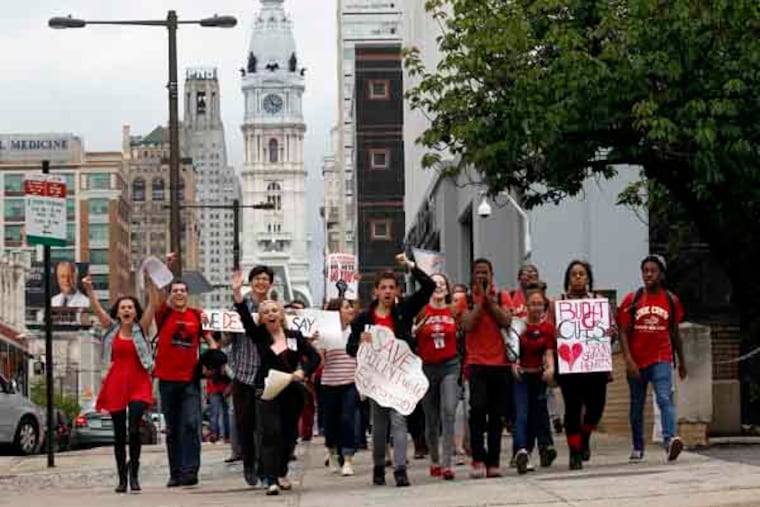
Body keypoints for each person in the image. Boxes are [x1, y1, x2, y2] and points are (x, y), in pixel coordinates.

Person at [346, 253, 436, 487]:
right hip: (377, 380)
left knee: (399, 421)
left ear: (397, 291)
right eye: (383, 287)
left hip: (399, 379)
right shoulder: (363, 319)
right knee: (379, 425)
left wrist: (410, 266)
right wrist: (361, 344)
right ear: (375, 291)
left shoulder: (404, 310)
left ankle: (400, 469)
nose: (387, 292)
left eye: (391, 287)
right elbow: (350, 349)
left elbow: (429, 286)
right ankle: (378, 466)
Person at [232, 271, 321, 496]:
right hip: (268, 388)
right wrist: (237, 292)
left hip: (292, 390)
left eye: (274, 310)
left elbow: (314, 357)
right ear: (261, 318)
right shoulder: (259, 335)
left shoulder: (294, 335)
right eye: (266, 312)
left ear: (281, 315)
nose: (271, 314)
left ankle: (281, 471)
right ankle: (270, 479)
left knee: (289, 434)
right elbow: (243, 316)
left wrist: (303, 370)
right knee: (270, 432)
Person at [82, 275, 158, 493]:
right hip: (116, 381)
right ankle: (121, 478)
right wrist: (89, 290)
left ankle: (134, 473)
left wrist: (152, 284)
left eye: (131, 307)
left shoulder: (141, 328)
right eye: (123, 307)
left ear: (135, 312)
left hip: (139, 382)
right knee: (119, 433)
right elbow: (97, 309)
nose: (126, 310)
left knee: (134, 429)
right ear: (118, 311)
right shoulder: (111, 328)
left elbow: (153, 304)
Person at [618, 254, 687, 463]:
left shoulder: (671, 300)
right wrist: (628, 360)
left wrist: (682, 361)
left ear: (661, 274)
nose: (648, 274)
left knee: (665, 398)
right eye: (645, 270)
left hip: (661, 358)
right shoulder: (633, 299)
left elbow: (675, 333)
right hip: (637, 361)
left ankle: (669, 441)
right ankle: (638, 446)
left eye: (652, 270)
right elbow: (622, 331)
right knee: (637, 405)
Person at [209, 265, 272, 487]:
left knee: (265, 426)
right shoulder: (238, 307)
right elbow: (225, 341)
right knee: (245, 424)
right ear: (251, 282)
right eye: (257, 278)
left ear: (270, 284)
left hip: (267, 376)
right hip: (242, 374)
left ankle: (265, 468)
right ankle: (248, 464)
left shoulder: (274, 308)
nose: (261, 282)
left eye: (265, 279)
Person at [553, 260, 617, 470]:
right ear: (568, 279)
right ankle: (575, 454)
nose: (578, 277)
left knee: (596, 408)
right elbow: (549, 332)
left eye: (582, 274)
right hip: (570, 367)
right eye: (574, 274)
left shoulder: (600, 302)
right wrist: (555, 335)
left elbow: (612, 330)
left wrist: (610, 333)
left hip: (595, 366)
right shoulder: (558, 303)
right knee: (572, 410)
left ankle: (585, 435)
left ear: (588, 278)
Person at [461, 258, 514, 479]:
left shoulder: (502, 297)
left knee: (496, 415)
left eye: (485, 273)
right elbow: (467, 324)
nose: (481, 276)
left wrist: (490, 302)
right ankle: (478, 457)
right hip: (476, 363)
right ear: (472, 275)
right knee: (478, 409)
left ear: (492, 275)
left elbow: (507, 320)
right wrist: (480, 301)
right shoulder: (465, 299)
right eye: (478, 273)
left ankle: (493, 461)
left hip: (500, 363)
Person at [154, 275, 207, 487]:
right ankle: (175, 472)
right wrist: (163, 272)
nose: (178, 294)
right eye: (174, 290)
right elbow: (156, 297)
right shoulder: (164, 314)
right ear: (170, 294)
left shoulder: (197, 315)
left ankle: (190, 470)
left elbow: (210, 338)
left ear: (187, 294)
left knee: (191, 424)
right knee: (173, 428)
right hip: (166, 379)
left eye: (182, 290)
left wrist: (213, 350)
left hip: (190, 380)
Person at [415, 273, 460, 480]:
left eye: (443, 283)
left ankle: (447, 463)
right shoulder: (422, 311)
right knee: (431, 418)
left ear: (448, 289)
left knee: (449, 410)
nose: (439, 287)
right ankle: (434, 458)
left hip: (450, 365)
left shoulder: (454, 311)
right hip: (427, 367)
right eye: (435, 283)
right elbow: (411, 335)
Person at [512, 285, 557, 474]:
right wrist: (514, 364)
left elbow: (548, 352)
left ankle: (539, 449)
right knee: (521, 415)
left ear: (544, 306)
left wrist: (551, 368)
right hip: (520, 377)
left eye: (540, 304)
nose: (536, 307)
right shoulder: (518, 326)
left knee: (537, 416)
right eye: (533, 304)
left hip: (538, 377)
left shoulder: (548, 328)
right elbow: (512, 350)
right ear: (526, 305)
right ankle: (521, 451)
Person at [320, 298, 359, 476]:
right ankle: (332, 452)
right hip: (329, 383)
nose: (350, 310)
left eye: (351, 307)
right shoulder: (325, 334)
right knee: (330, 422)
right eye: (346, 307)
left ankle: (348, 458)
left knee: (348, 419)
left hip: (350, 383)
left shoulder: (356, 331)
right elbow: (320, 363)